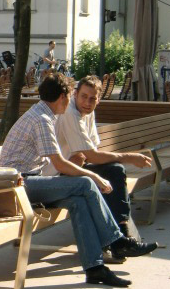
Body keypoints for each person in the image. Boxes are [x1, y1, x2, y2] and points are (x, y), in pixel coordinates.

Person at [0, 73, 157, 287]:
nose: (72, 101)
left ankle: (95, 268)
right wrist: (94, 175)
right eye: (71, 95)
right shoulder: (41, 119)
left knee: (78, 202)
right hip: (19, 185)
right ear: (62, 97)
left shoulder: (44, 114)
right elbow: (60, 164)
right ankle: (117, 240)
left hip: (32, 181)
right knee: (86, 183)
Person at [44, 75, 157, 262]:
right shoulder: (70, 113)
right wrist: (129, 157)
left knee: (113, 171)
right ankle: (118, 241)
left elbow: (91, 153)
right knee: (107, 176)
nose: (87, 102)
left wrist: (86, 157)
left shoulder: (87, 112)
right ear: (75, 94)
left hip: (72, 168)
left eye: (92, 99)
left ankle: (121, 237)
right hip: (54, 175)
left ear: (98, 100)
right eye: (84, 96)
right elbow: (92, 156)